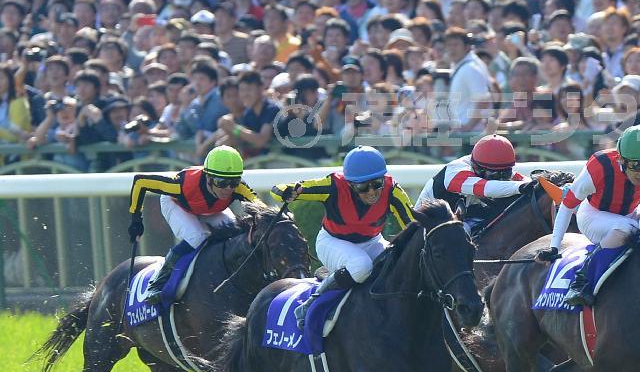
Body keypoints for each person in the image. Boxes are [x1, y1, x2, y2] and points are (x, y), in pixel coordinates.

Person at [272, 145, 415, 326]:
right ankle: (310, 303)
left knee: (397, 264)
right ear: (350, 184)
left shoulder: (393, 191)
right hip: (333, 242)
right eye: (363, 186)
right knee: (361, 265)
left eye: (377, 184)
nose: (371, 192)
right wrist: (287, 191)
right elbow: (277, 189)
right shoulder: (333, 186)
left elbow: (413, 226)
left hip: (372, 242)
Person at [536, 125, 640, 308]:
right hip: (592, 215)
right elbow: (567, 205)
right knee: (627, 229)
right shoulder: (599, 166)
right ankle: (582, 280)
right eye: (635, 165)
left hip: (630, 213)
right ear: (621, 159)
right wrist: (554, 247)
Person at [127, 145, 258, 304]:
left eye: (234, 182)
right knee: (197, 236)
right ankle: (158, 282)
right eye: (221, 182)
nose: (228, 189)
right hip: (177, 204)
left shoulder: (240, 189)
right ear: (208, 177)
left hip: (209, 210)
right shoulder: (180, 185)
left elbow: (261, 208)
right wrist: (136, 218)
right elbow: (140, 181)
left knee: (234, 232)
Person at [415, 134, 528, 221]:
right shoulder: (455, 172)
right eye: (495, 175)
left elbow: (522, 179)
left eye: (505, 174)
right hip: (429, 225)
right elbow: (488, 188)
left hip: (465, 216)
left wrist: (535, 182)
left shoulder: (490, 166)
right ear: (477, 167)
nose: (501, 179)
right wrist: (521, 186)